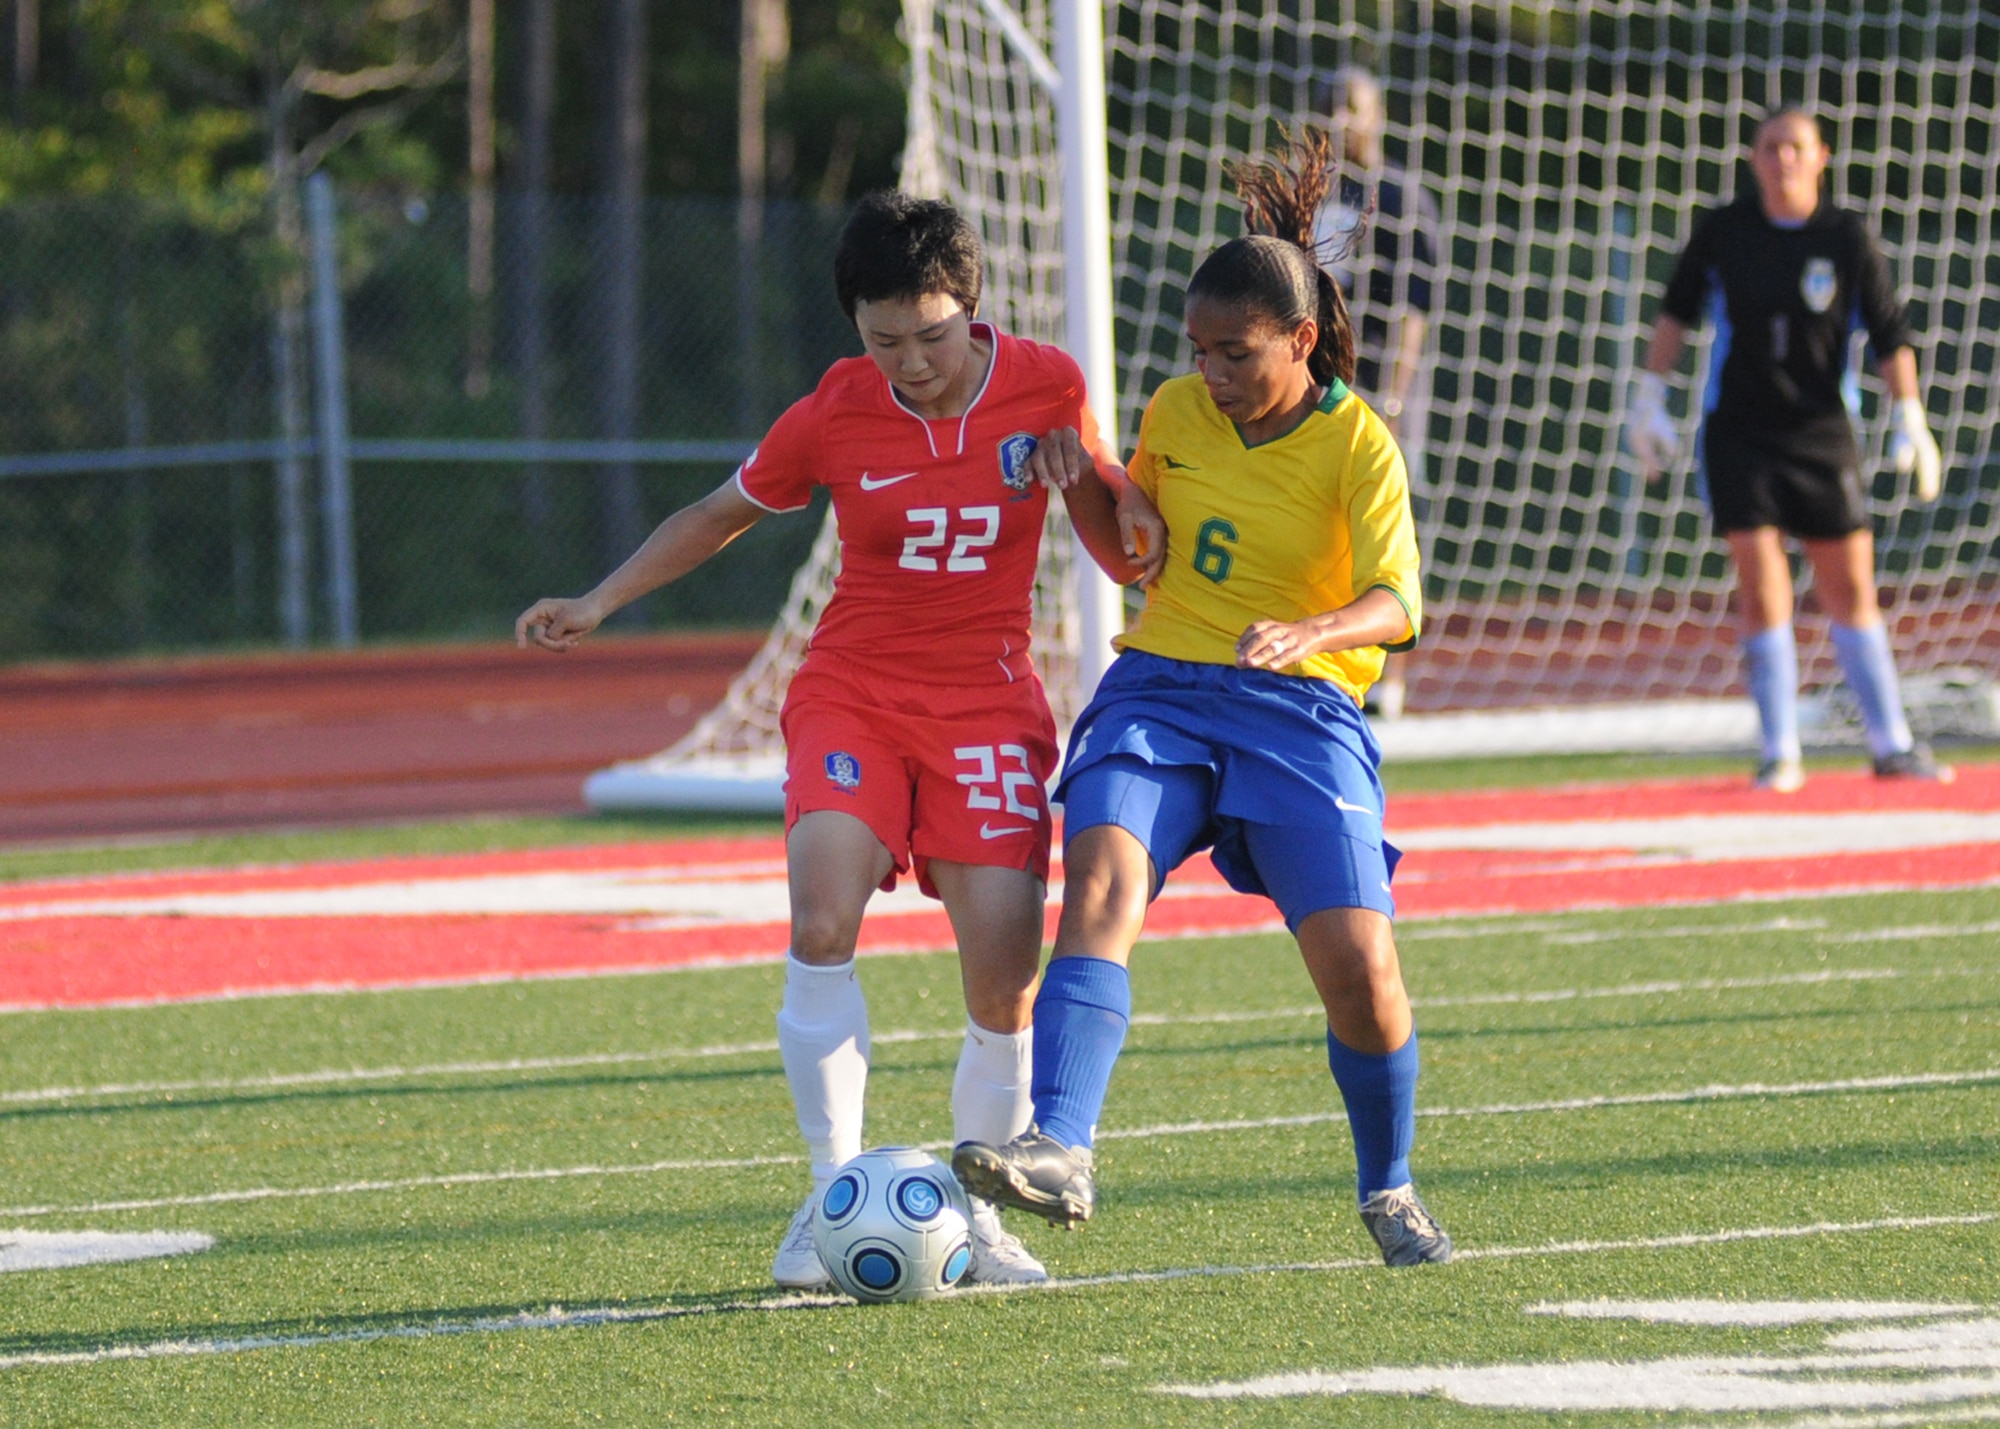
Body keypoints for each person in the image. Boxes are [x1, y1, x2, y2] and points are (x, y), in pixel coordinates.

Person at [516, 191, 1163, 1290]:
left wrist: (1097, 484)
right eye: (882, 341)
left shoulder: (1049, 383)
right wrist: (598, 598)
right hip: (853, 691)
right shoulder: (833, 411)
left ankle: (981, 1217)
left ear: (972, 306)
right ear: (852, 331)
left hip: (987, 700)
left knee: (1003, 974)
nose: (909, 361)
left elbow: (1121, 553)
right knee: (821, 913)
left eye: (930, 334)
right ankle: (826, 1200)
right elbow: (720, 514)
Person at [952, 130, 1452, 1268]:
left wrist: (1312, 631)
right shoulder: (1179, 411)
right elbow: (1149, 544)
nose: (1210, 374)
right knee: (1098, 871)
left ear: (1300, 340)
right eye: (1198, 350)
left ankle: (1388, 1184)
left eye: (1234, 353)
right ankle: (1059, 1145)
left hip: (1300, 707)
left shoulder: (1357, 445)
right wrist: (1103, 484)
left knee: (1360, 971)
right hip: (1162, 685)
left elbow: (1396, 601)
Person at [1627, 105, 1949, 792]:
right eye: (1771, 147)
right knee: (1762, 586)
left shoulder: (1846, 236)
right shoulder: (1724, 230)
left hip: (1821, 430)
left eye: (1796, 147)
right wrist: (1649, 399)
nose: (1784, 160)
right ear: (1754, 158)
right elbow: (1675, 313)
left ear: (1821, 156)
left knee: (1850, 587)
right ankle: (1780, 750)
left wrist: (1911, 418)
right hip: (1739, 431)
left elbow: (1891, 333)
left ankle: (1891, 742)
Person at [1313, 66, 1439, 722]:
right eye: (1330, 105)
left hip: (1382, 386)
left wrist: (1394, 394)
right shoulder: (1312, 195)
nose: (1340, 117)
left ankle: (1392, 681)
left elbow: (1416, 306)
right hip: (1321, 388)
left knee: (1388, 525)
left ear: (1378, 112)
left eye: (1352, 105)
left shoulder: (1400, 196)